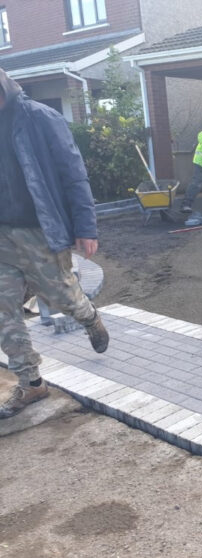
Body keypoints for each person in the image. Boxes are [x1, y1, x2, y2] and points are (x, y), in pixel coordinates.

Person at [0, 69, 110, 419]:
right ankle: (31, 384)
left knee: (63, 297)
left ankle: (89, 316)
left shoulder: (40, 119)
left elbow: (73, 173)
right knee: (2, 311)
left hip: (39, 232)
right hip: (1, 235)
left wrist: (85, 226)